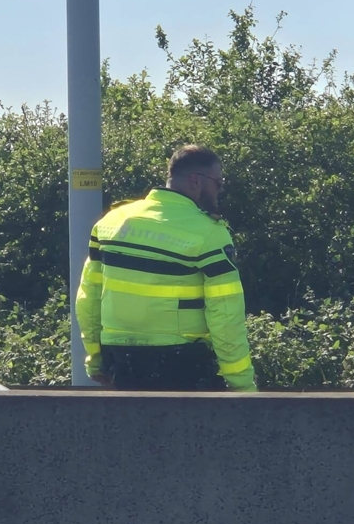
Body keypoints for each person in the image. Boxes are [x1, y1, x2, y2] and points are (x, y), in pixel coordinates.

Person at [74, 144, 257, 392]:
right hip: (180, 362)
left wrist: (96, 360)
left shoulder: (111, 222)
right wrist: (242, 386)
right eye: (219, 183)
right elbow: (226, 317)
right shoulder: (208, 234)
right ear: (197, 181)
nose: (219, 191)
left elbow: (88, 298)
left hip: (119, 358)